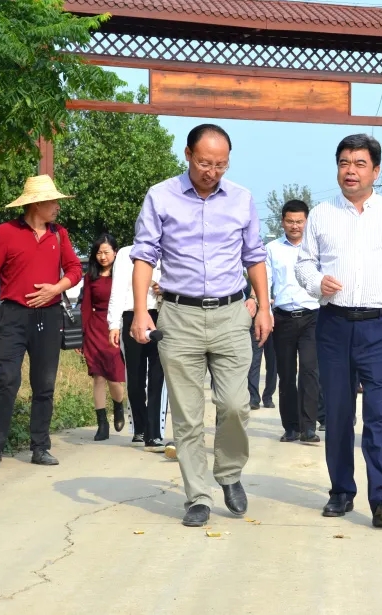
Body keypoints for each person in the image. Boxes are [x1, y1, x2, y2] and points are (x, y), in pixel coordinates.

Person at [130, 124, 271, 528]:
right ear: (188, 155)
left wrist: (264, 306)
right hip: (179, 316)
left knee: (235, 404)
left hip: (231, 314)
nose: (212, 172)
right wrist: (140, 311)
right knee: (187, 415)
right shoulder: (161, 196)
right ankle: (197, 495)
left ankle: (229, 472)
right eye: (205, 163)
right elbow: (144, 256)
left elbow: (254, 255)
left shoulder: (242, 199)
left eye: (221, 165)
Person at [296, 134, 382, 529]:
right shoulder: (321, 214)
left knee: (380, 415)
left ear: (375, 170)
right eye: (343, 163)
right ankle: (341, 491)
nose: (350, 171)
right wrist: (317, 282)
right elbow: (304, 265)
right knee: (338, 414)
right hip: (334, 326)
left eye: (358, 164)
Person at [0, 175, 81, 470]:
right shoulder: (5, 233)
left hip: (50, 316)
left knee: (44, 384)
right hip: (14, 316)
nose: (57, 206)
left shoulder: (59, 234)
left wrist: (56, 289)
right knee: (6, 379)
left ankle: (40, 447)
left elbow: (74, 269)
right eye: (53, 201)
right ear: (36, 204)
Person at [266, 199, 321, 443]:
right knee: (286, 373)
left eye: (299, 221)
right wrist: (264, 309)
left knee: (310, 370)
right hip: (283, 317)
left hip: (312, 316)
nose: (295, 226)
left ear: (306, 222)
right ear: (282, 222)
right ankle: (291, 426)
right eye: (290, 221)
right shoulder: (272, 249)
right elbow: (266, 281)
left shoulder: (316, 248)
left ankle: (309, 427)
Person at [108, 245, 169, 451]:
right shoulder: (126, 253)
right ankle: (140, 428)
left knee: (158, 376)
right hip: (131, 315)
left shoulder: (169, 250)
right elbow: (117, 289)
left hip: (161, 315)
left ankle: (154, 432)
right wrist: (113, 324)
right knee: (135, 376)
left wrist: (165, 288)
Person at [81, 233, 127, 441]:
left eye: (106, 252)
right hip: (95, 328)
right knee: (98, 377)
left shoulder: (123, 274)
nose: (102, 256)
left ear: (115, 253)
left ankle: (118, 405)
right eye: (99, 252)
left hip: (115, 328)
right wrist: (82, 336)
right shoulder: (90, 277)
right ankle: (102, 424)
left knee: (115, 377)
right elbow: (85, 307)